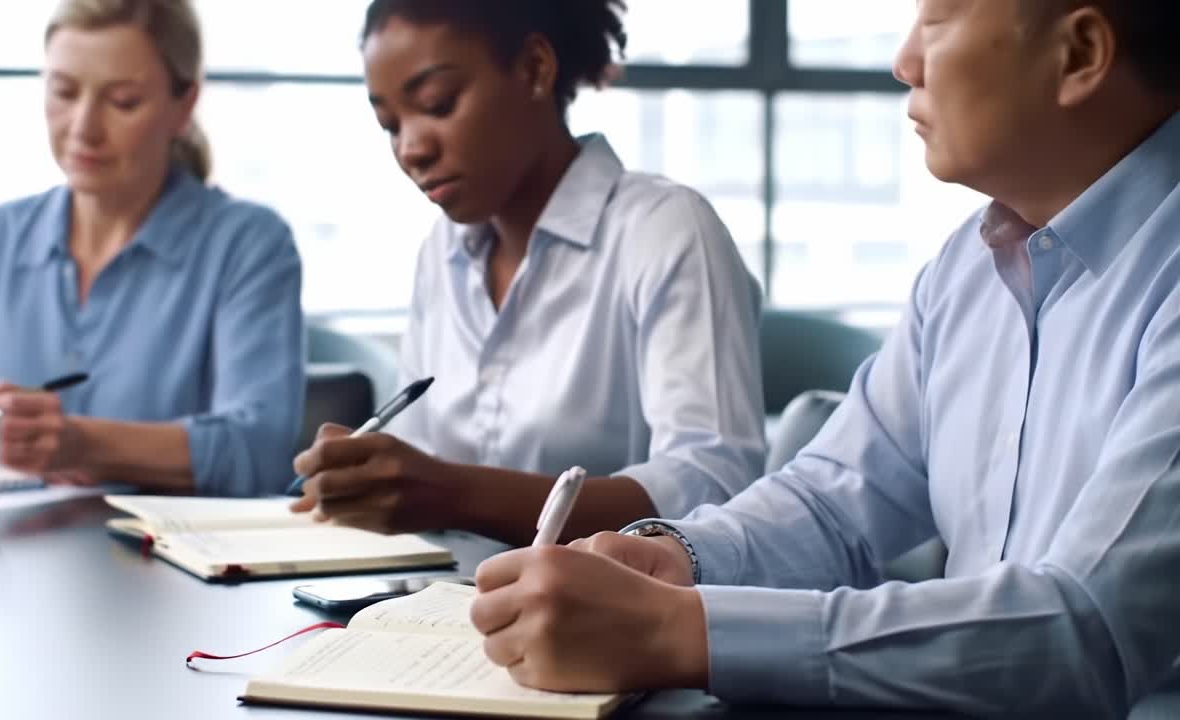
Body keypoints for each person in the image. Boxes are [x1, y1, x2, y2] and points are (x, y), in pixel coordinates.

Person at [469, 0, 1180, 714]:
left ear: (1081, 53)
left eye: (934, 27)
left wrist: (678, 627)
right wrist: (680, 558)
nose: (905, 63)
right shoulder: (969, 266)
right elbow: (834, 501)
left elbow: (1085, 629)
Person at [291, 0, 765, 546]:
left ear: (535, 69)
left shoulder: (666, 230)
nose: (411, 149)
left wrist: (451, 492)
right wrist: (375, 480)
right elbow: (424, 471)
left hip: (607, 617)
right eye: (389, 125)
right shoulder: (441, 254)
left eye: (438, 104)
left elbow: (714, 486)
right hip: (440, 608)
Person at [0, 0, 304, 497]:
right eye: (63, 92)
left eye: (123, 101)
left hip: (169, 568)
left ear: (184, 106)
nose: (83, 128)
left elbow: (259, 451)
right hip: (2, 560)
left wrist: (80, 444)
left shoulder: (248, 245)